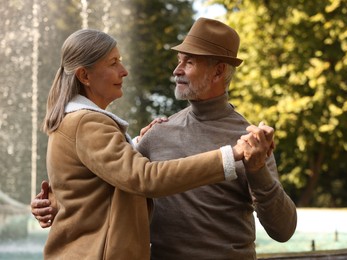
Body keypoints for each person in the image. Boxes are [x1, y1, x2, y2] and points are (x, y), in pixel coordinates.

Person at [32, 18, 296, 259]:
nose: (176, 70)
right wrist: (55, 202)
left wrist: (257, 169)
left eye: (188, 62)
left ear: (218, 72)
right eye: (179, 60)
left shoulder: (249, 142)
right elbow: (113, 183)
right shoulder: (158, 134)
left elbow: (283, 230)